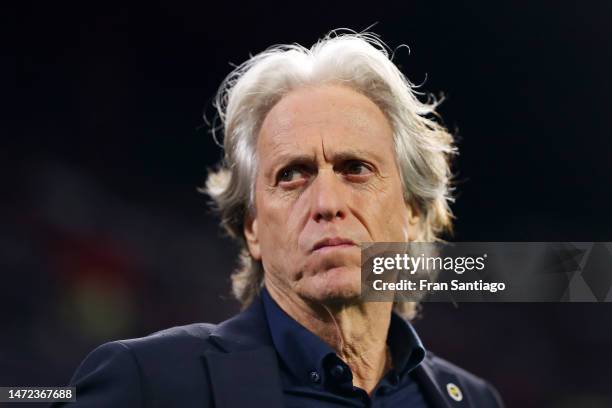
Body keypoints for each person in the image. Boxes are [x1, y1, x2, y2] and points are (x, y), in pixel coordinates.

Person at [55, 30, 504, 407]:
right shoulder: (145, 384)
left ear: (410, 209)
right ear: (252, 228)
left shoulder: (474, 398)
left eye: (355, 169)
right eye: (292, 175)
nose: (327, 202)